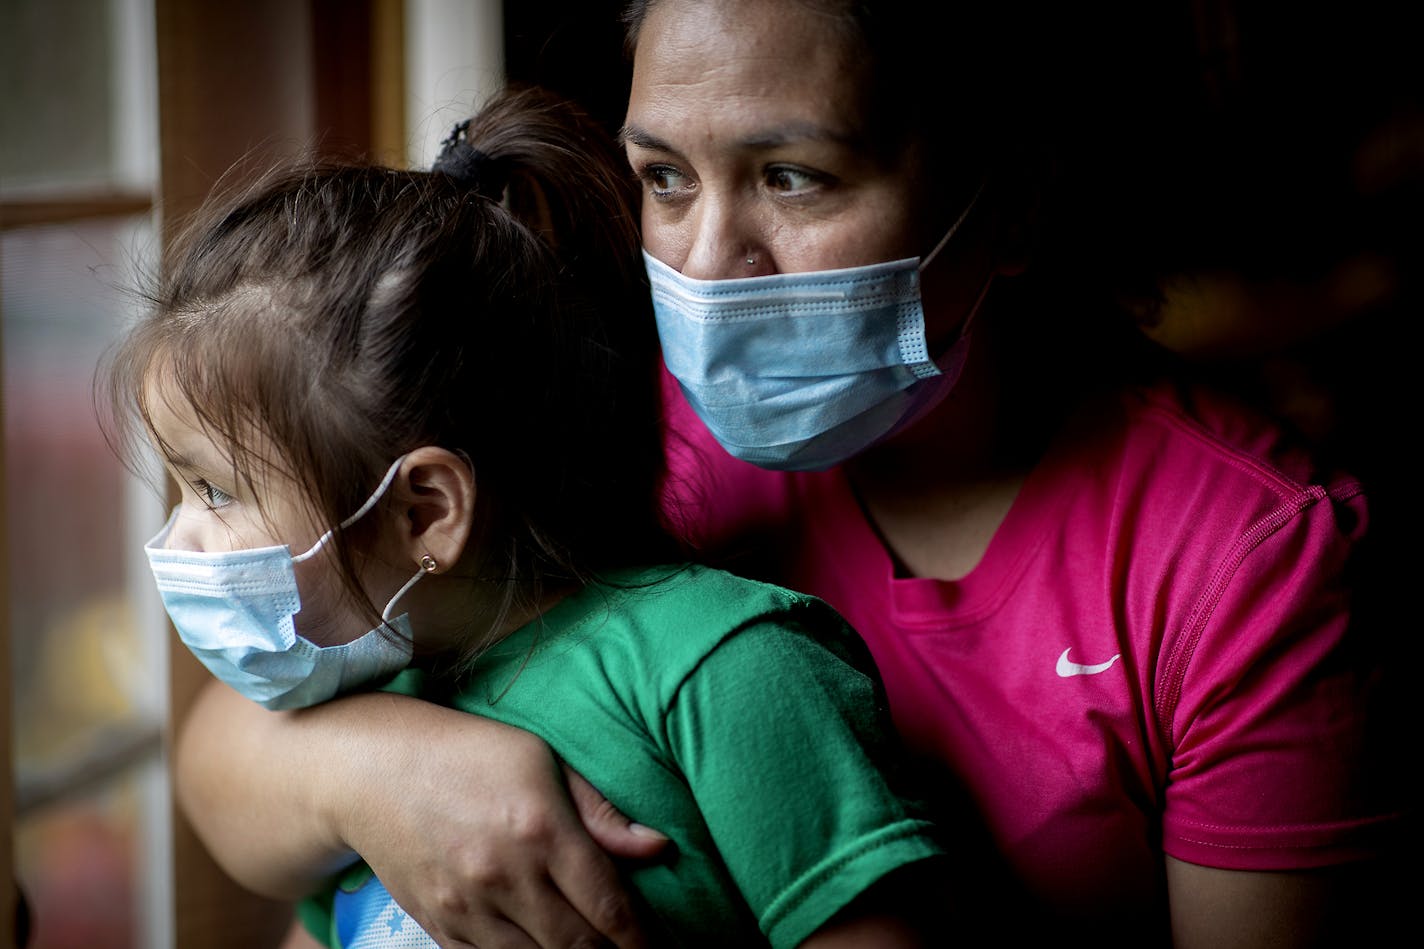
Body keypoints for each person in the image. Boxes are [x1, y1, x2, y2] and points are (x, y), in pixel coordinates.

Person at [169, 2, 1409, 947]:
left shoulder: (1243, 553)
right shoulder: (613, 412)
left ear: (1012, 200)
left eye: (792, 177)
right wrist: (386, 774)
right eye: (662, 177)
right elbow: (235, 753)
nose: (712, 261)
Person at [104, 84, 953, 948]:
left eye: (216, 490)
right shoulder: (378, 693)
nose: (182, 540)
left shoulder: (724, 670)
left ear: (425, 511)